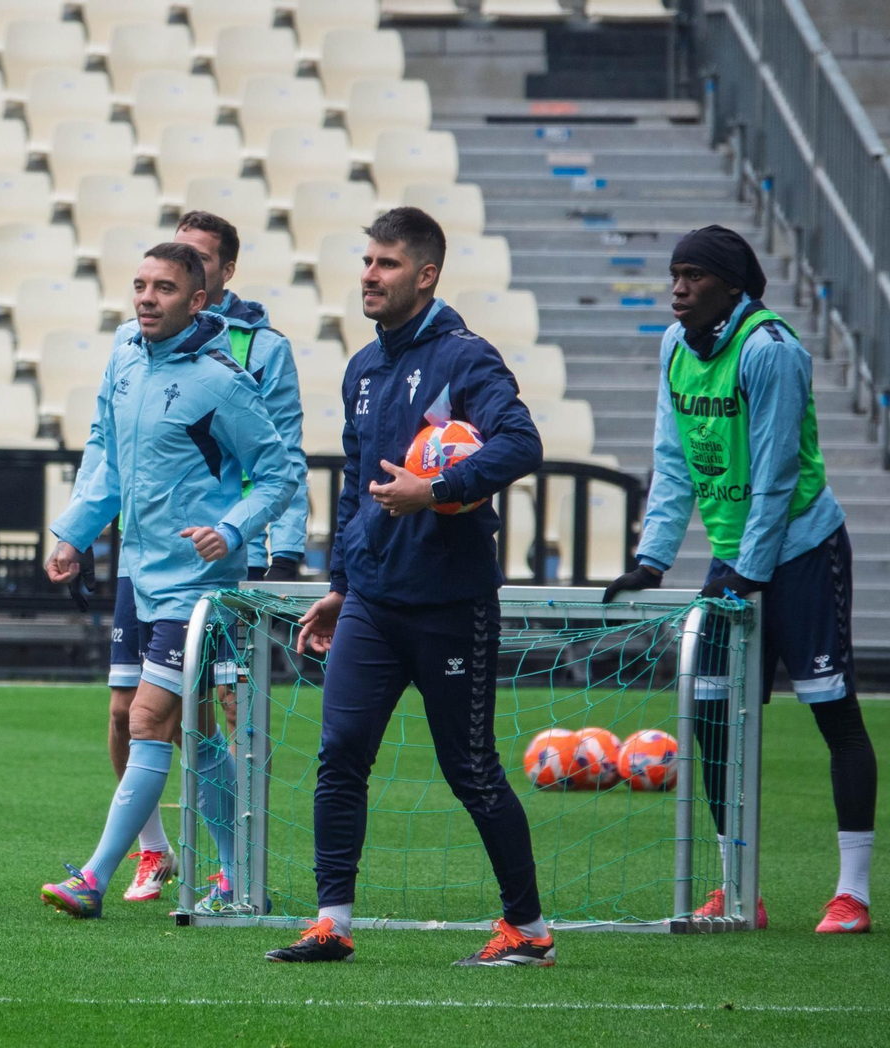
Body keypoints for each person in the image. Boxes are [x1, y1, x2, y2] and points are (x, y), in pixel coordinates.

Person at [269, 208, 552, 966]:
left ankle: (527, 929)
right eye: (366, 261)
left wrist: (439, 489)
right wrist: (337, 585)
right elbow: (358, 491)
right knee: (340, 753)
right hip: (371, 602)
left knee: (471, 770)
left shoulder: (466, 359)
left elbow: (523, 443)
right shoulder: (363, 368)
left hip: (452, 605)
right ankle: (331, 922)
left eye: (386, 264)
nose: (369, 275)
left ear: (425, 275)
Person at [602, 224, 875, 934]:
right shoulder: (674, 348)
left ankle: (853, 893)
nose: (678, 288)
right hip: (739, 559)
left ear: (731, 286)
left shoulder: (769, 350)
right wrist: (653, 556)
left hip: (803, 552)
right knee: (714, 719)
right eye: (674, 274)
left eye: (693, 276)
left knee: (833, 712)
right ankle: (736, 888)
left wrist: (747, 571)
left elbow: (779, 473)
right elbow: (673, 455)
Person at [39, 243, 301, 919]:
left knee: (148, 718)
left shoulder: (220, 381)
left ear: (198, 301)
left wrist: (235, 530)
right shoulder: (126, 357)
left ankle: (94, 878)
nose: (147, 298)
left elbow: (278, 473)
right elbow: (110, 464)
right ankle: (238, 873)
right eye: (140, 285)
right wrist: (74, 531)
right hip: (144, 576)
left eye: (163, 288)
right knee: (198, 736)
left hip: (200, 587)